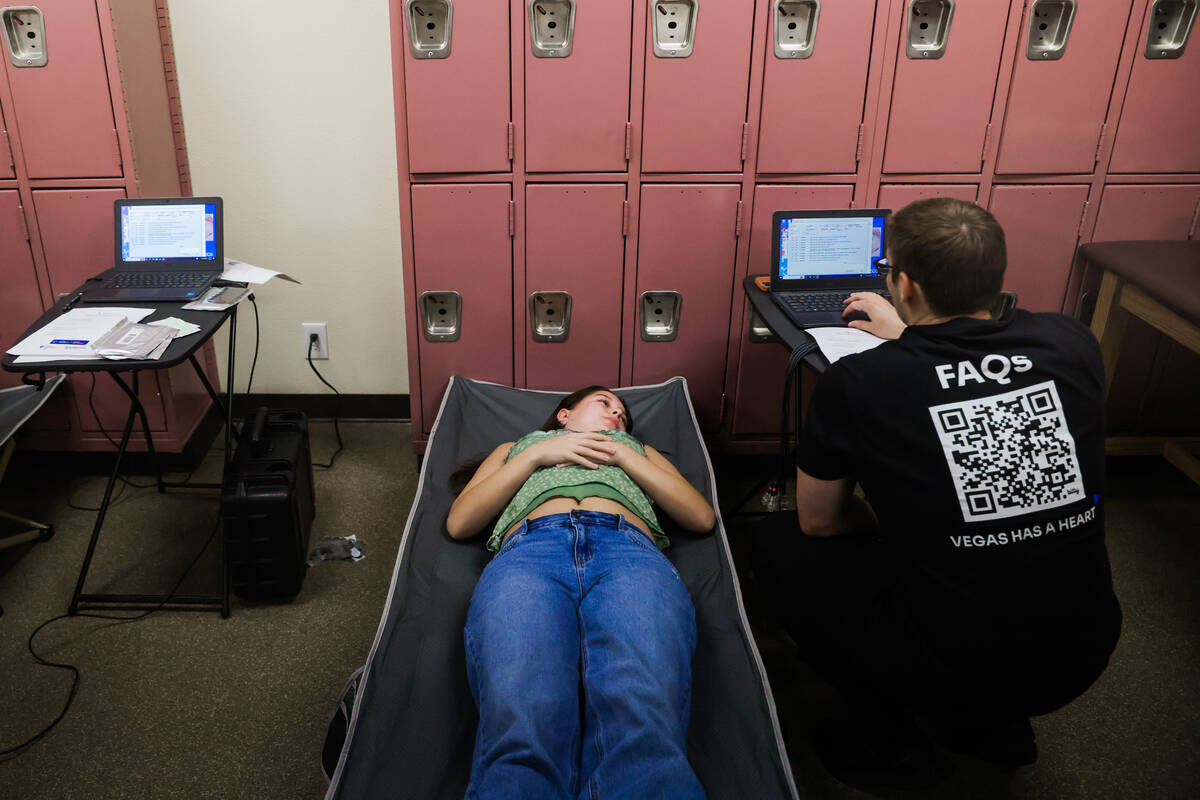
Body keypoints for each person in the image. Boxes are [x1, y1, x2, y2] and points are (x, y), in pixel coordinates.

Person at [752, 198, 1122, 790]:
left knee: (776, 544)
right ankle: (996, 726)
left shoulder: (863, 381)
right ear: (995, 276)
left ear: (903, 284)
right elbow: (974, 368)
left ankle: (891, 740)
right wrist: (911, 336)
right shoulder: (1071, 341)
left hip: (959, 663)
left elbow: (820, 523)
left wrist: (887, 517)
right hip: (1083, 644)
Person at [446, 386, 715, 800]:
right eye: (604, 403)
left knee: (642, 720)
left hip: (628, 553)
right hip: (531, 552)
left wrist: (622, 453)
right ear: (564, 416)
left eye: (623, 414)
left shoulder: (636, 449)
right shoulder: (519, 447)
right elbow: (461, 522)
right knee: (522, 719)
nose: (617, 415)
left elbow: (699, 516)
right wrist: (538, 455)